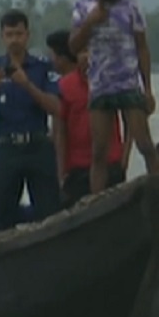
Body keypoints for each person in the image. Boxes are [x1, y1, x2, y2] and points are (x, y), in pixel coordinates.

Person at [68, 0, 159, 196]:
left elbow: (142, 47)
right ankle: (96, 202)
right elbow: (73, 46)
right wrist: (90, 22)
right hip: (100, 86)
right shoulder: (83, 5)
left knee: (145, 144)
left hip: (129, 84)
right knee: (99, 151)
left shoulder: (131, 6)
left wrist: (148, 89)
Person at [0, 9, 62, 231]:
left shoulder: (43, 66)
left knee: (49, 213)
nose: (14, 40)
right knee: (1, 216)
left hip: (38, 146)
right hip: (6, 148)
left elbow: (56, 108)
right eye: (9, 34)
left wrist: (27, 84)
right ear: (2, 37)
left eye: (19, 34)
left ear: (28, 35)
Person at [46, 30, 132, 209]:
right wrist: (61, 172)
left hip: (111, 164)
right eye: (82, 51)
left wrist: (124, 159)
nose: (87, 56)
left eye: (92, 50)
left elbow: (130, 121)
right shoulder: (63, 86)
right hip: (77, 168)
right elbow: (60, 131)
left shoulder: (114, 81)